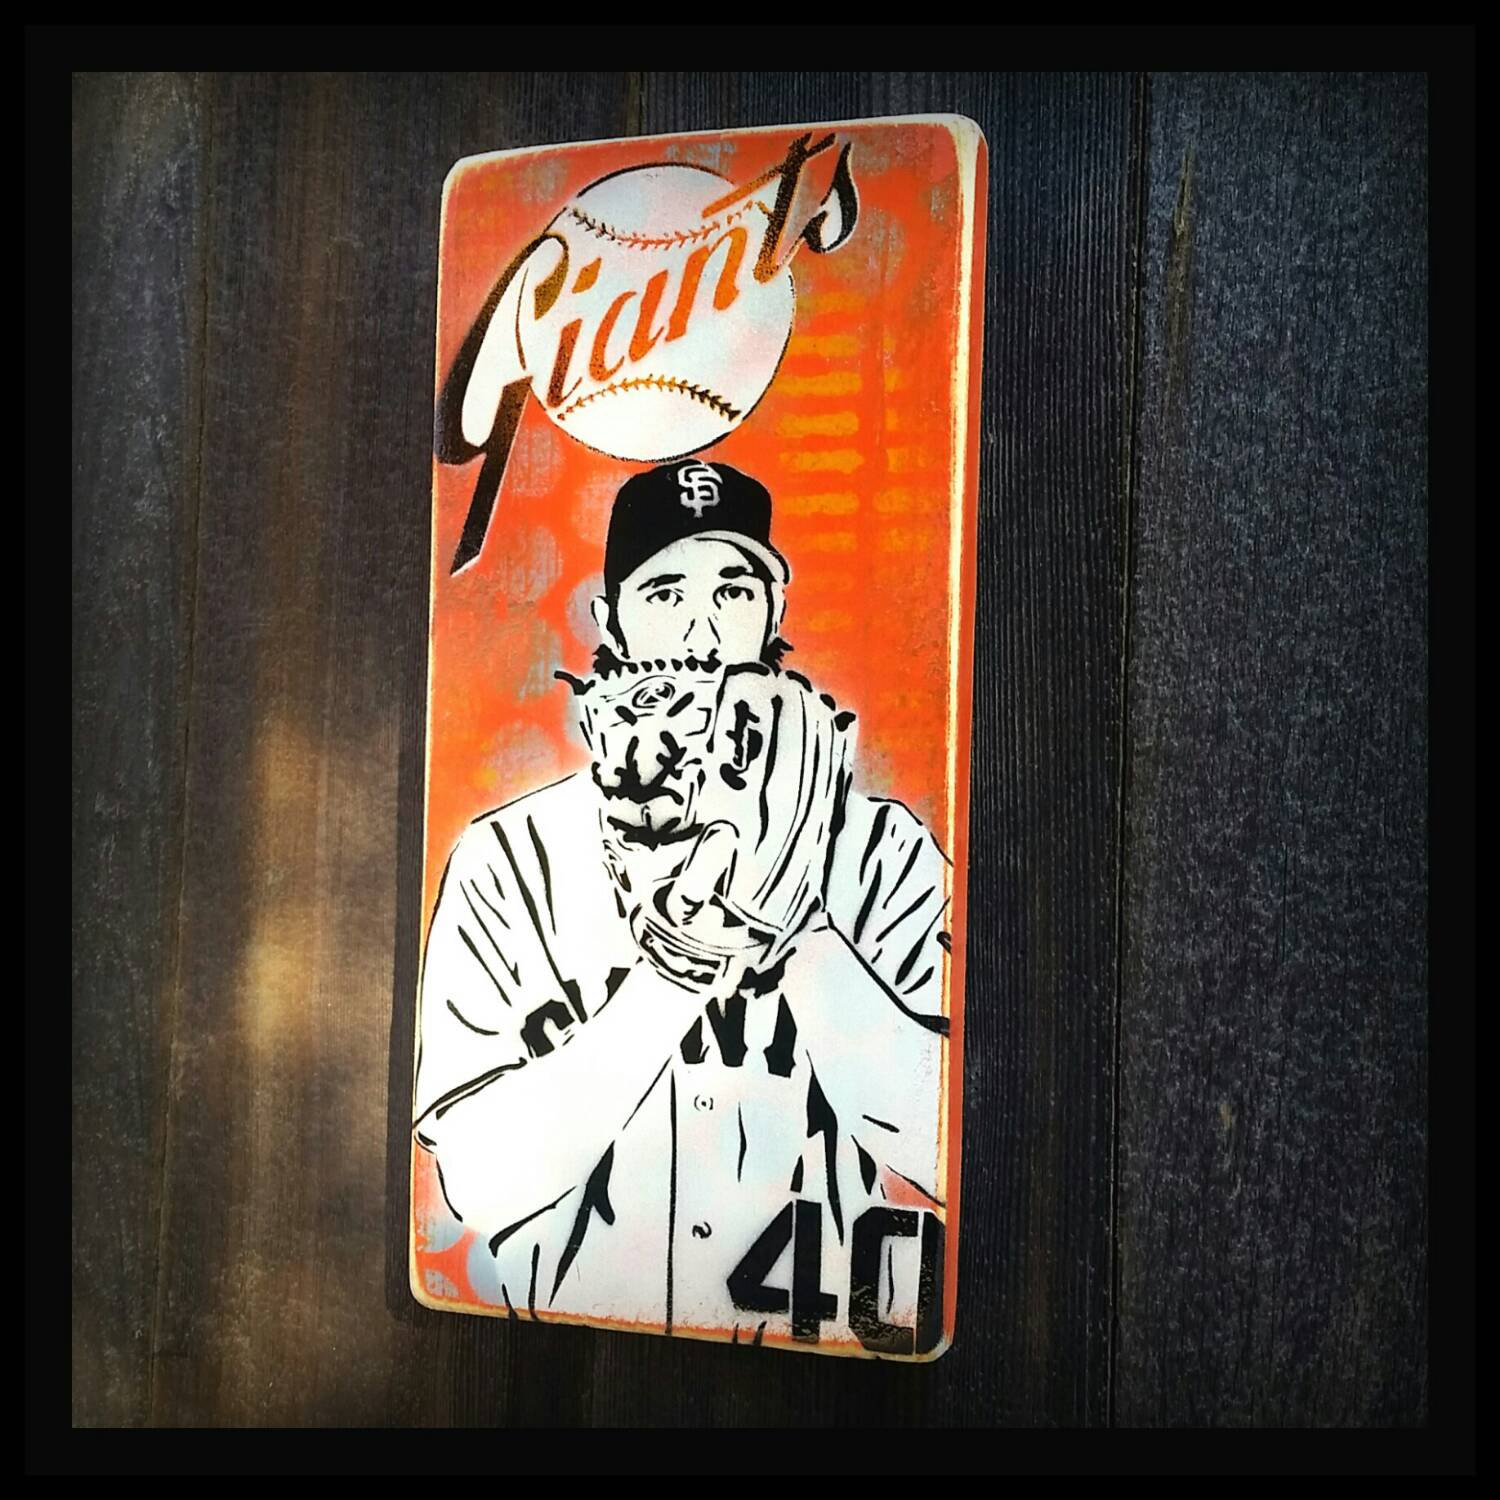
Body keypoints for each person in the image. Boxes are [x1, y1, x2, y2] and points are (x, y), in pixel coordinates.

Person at [413, 460, 951, 1352]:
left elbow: (944, 1156)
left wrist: (804, 934)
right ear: (611, 620)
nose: (703, 635)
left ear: (774, 612)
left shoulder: (877, 849)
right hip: (572, 1364)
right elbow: (476, 1184)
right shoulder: (508, 860)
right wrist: (674, 972)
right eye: (666, 593)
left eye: (734, 589)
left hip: (811, 1373)